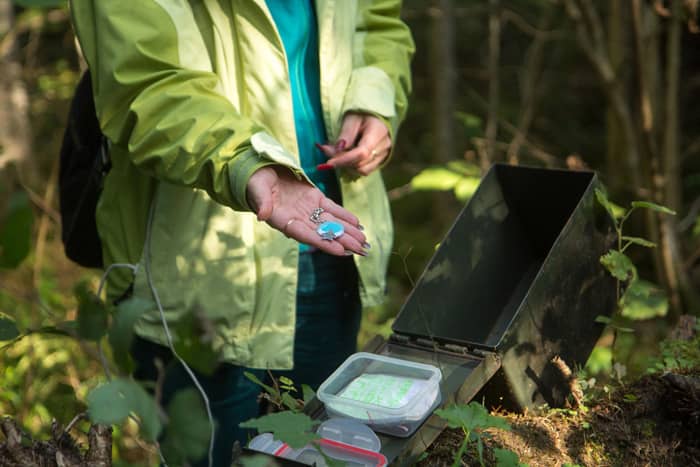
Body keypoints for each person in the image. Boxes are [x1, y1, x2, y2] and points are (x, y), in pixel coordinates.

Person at [69, 0, 414, 465]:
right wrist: (245, 163)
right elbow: (148, 86)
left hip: (331, 253)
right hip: (195, 274)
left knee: (321, 447)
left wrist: (374, 99)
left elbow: (377, 22)